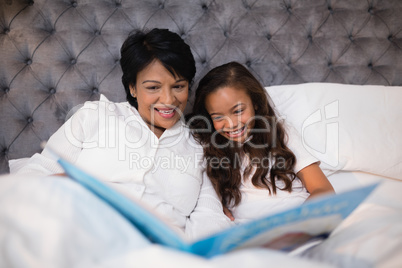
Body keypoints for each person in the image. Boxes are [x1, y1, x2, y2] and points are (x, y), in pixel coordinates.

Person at [13, 28, 232, 238]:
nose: (168, 100)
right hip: (80, 231)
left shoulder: (200, 146)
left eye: (178, 86)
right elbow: (37, 172)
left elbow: (209, 217)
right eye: (153, 87)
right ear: (133, 88)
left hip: (157, 251)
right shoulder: (95, 116)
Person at [187, 61, 334, 223]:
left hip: (299, 218)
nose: (231, 124)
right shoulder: (207, 146)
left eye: (238, 111)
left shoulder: (280, 132)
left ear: (255, 103)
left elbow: (323, 189)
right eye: (218, 117)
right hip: (249, 230)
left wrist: (296, 221)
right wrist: (216, 206)